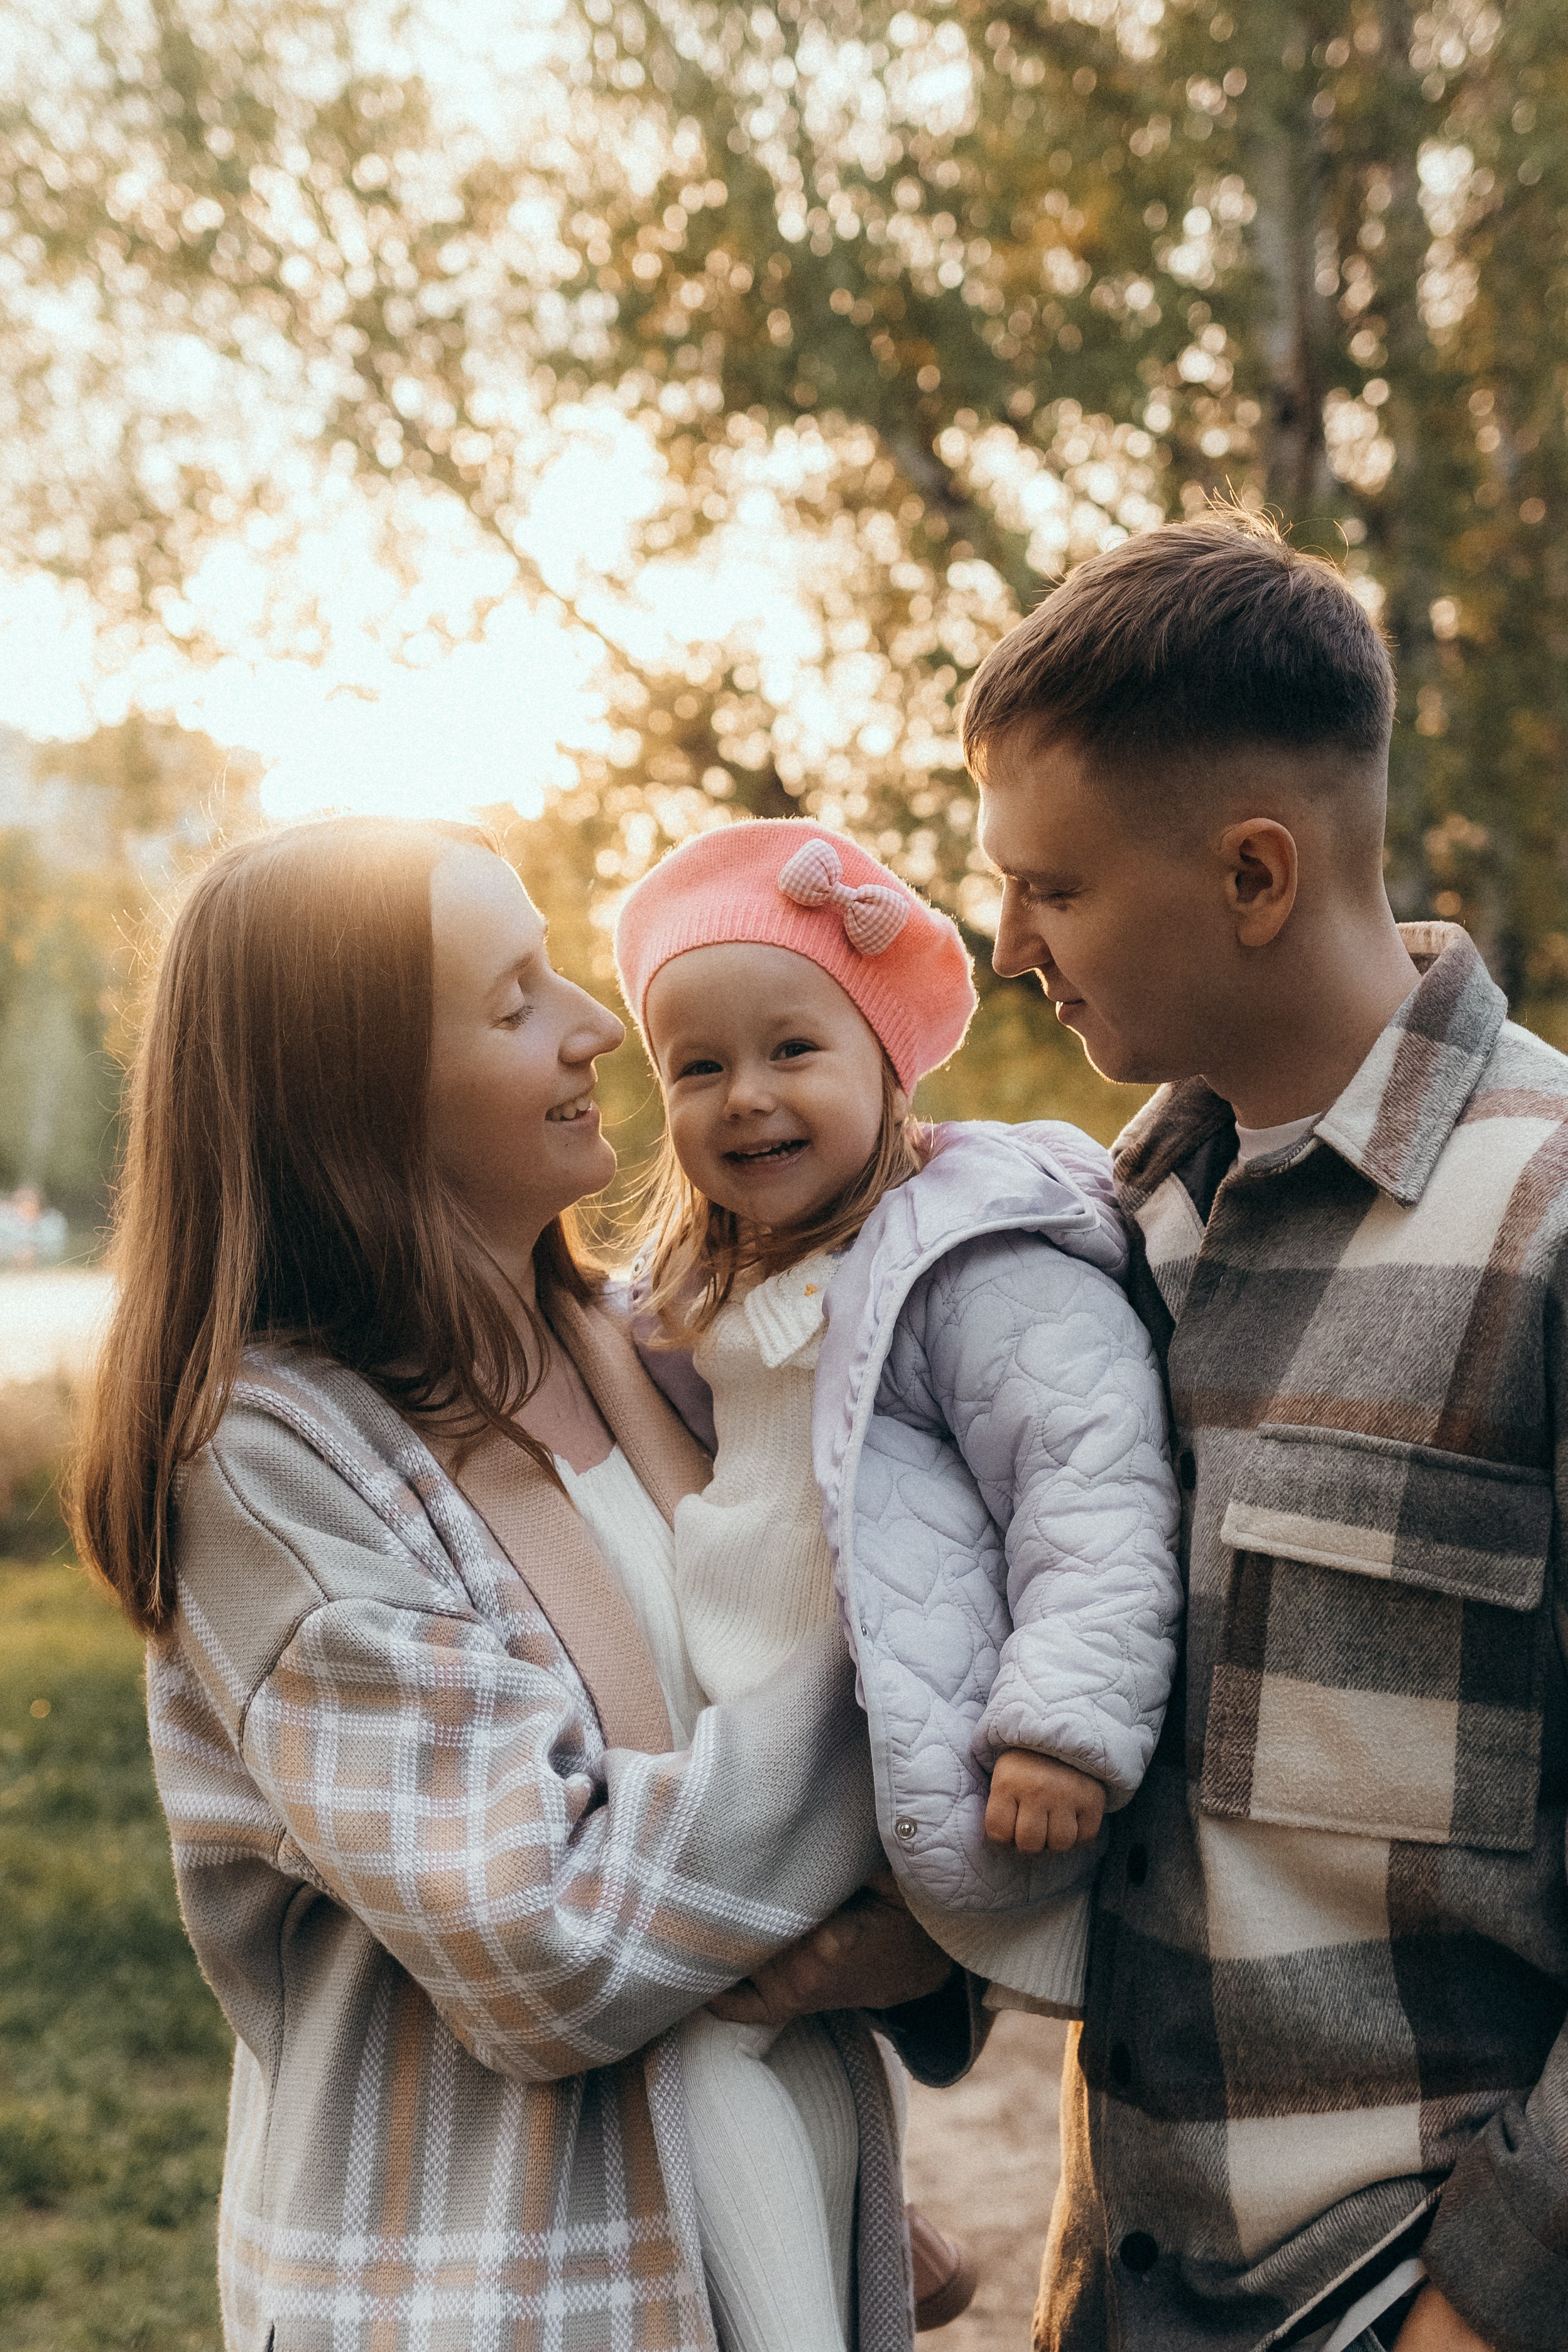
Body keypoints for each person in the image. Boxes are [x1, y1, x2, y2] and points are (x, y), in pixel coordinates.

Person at [68, 815, 981, 2352]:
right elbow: (547, 1936)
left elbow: (880, 1826)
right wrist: (898, 1674)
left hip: (769, 2266)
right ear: (352, 1103)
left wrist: (916, 1941)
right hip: (492, 2299)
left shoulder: (654, 1349)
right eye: (511, 1003)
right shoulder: (270, 1464)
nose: (592, 1027)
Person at [964, 505, 1568, 2352]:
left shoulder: (1549, 1232)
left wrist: (1486, 2308)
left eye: (1050, 887)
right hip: (1116, 2297)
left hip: (1409, 2307)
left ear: (1252, 875)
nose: (1005, 948)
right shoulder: (1101, 1243)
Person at [611, 818, 1183, 2352]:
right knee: (719, 2021)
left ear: (887, 1060)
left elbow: (1096, 1487)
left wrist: (1063, 1723)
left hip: (890, 1730)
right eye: (696, 1067)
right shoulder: (702, 1285)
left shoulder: (973, 1259)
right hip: (748, 1715)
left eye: (791, 1047)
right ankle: (878, 2230)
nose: (746, 1099)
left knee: (713, 2024)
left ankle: (831, 2277)